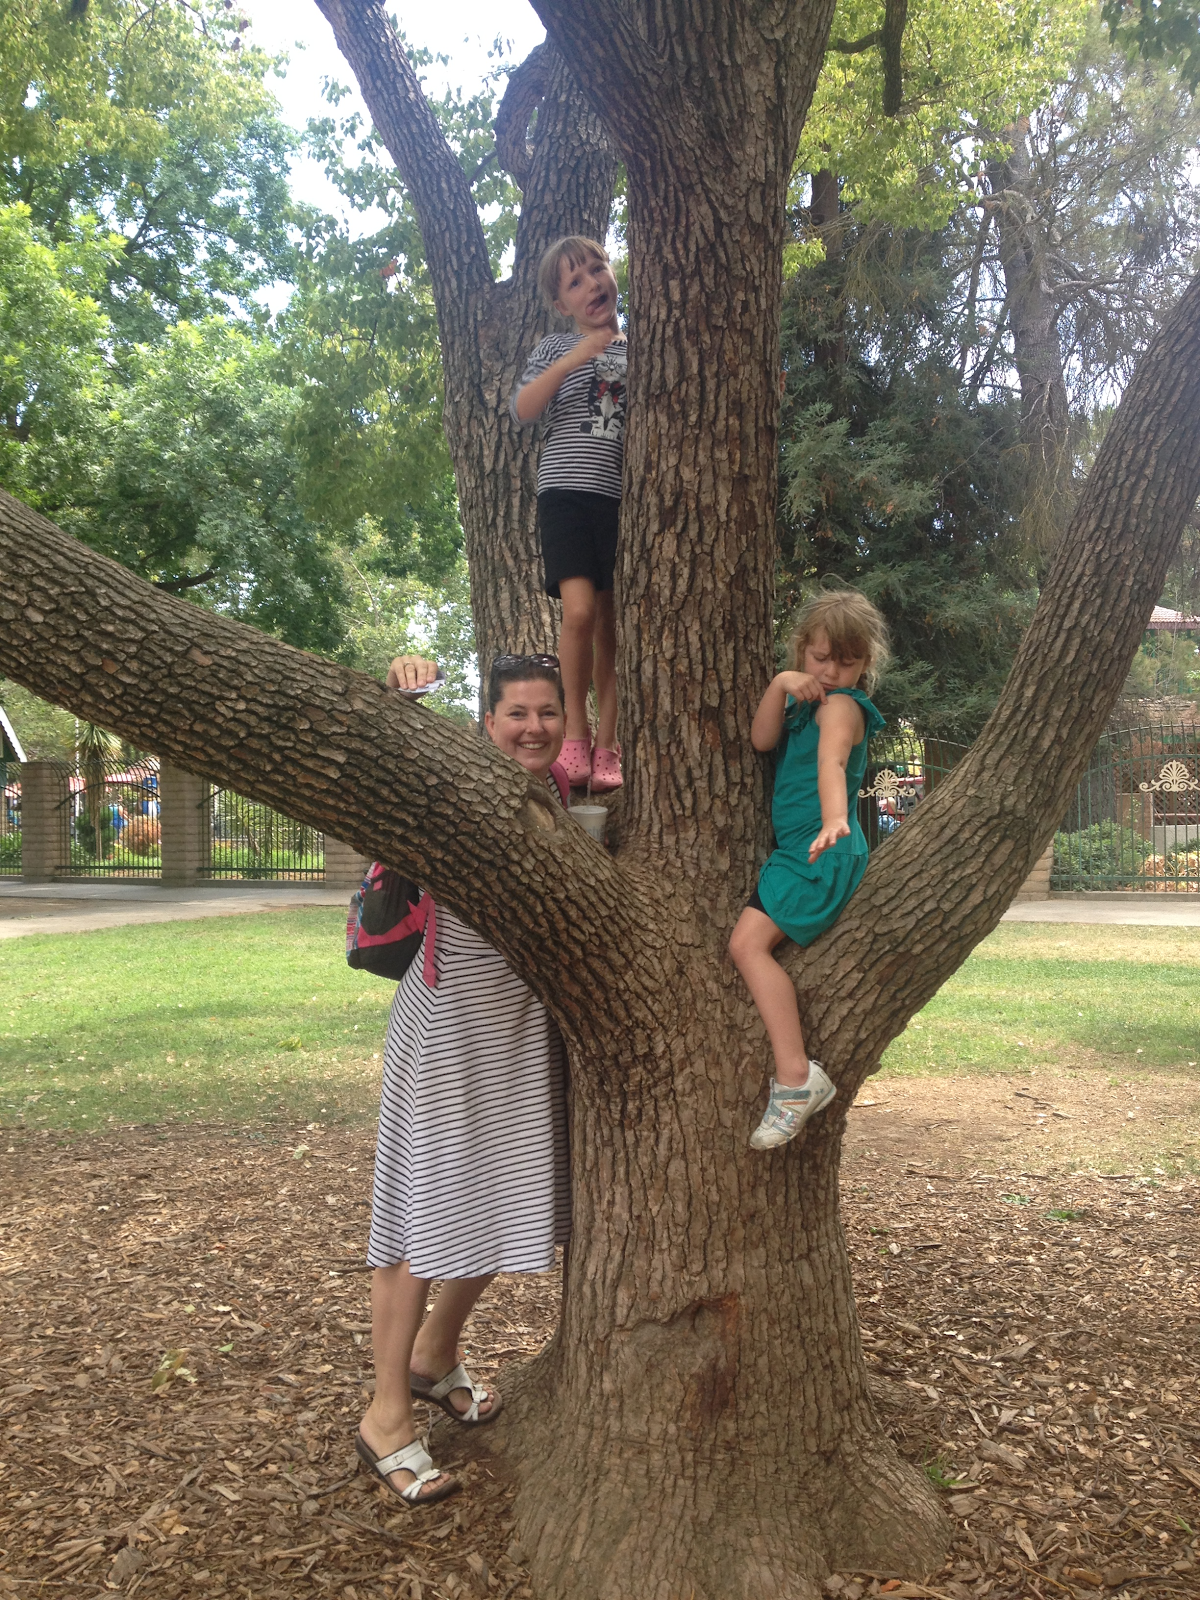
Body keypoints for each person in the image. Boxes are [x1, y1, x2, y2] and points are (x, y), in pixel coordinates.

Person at [354, 652, 572, 1507]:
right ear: (488, 723)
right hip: (446, 1033)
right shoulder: (454, 789)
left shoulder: (561, 798)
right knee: (421, 1218)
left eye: (547, 712)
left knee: (507, 1200)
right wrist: (391, 698)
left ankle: (434, 1354)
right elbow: (377, 782)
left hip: (517, 1039)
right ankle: (385, 1417)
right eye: (517, 713)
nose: (533, 727)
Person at [728, 590, 889, 1151]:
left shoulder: (841, 707)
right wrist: (780, 683)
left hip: (822, 852)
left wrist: (836, 817)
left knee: (747, 946)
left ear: (865, 664)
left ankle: (797, 1078)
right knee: (748, 945)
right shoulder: (803, 704)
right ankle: (796, 1078)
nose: (831, 672)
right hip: (802, 850)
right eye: (820, 658)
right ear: (802, 650)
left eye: (847, 662)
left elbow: (832, 762)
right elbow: (761, 740)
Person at [511, 235, 627, 793]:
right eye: (575, 282)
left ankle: (609, 744)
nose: (591, 284)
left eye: (597, 269)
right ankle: (575, 734)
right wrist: (576, 357)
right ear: (562, 304)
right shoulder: (555, 346)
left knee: (613, 629)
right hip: (565, 494)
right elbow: (523, 408)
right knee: (578, 613)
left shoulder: (641, 347)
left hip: (620, 501)